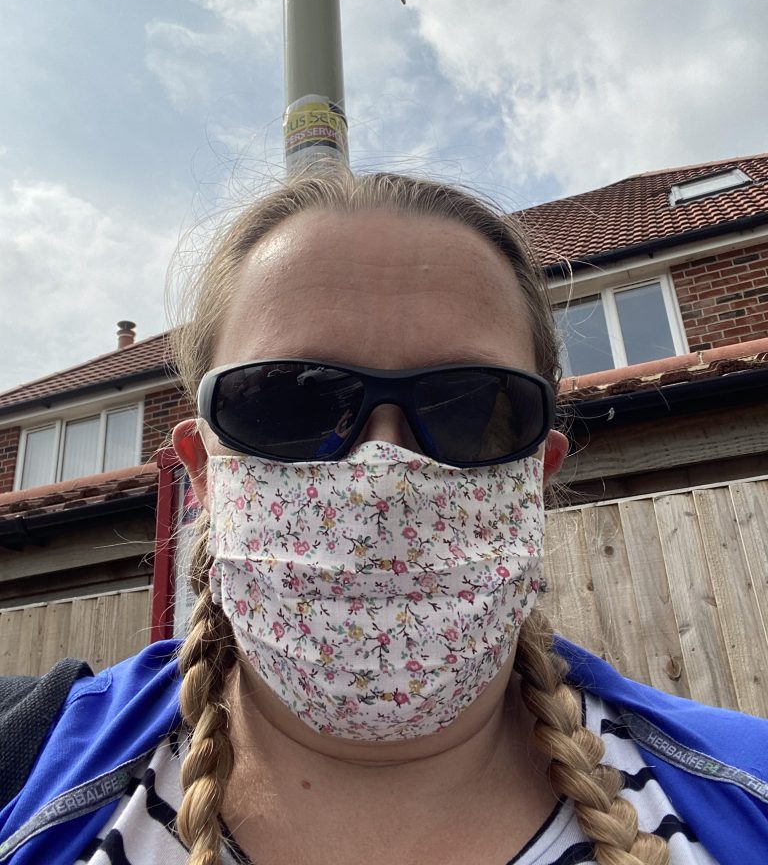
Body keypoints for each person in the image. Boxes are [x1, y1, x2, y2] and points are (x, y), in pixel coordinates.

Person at [1, 169, 767, 865]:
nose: (381, 475)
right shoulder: (26, 768)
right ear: (205, 474)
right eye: (290, 399)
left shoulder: (746, 796)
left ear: (536, 476)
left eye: (468, 406)